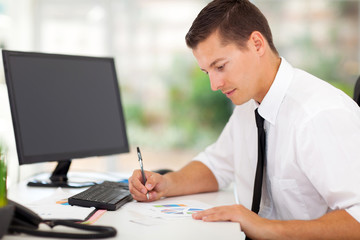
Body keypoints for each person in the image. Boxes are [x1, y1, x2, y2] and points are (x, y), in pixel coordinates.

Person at [129, 0, 360, 239]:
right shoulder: (248, 104)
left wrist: (265, 228)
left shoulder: (319, 114)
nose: (214, 85)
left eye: (220, 66)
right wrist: (167, 184)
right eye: (208, 72)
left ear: (257, 44)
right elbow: (217, 165)